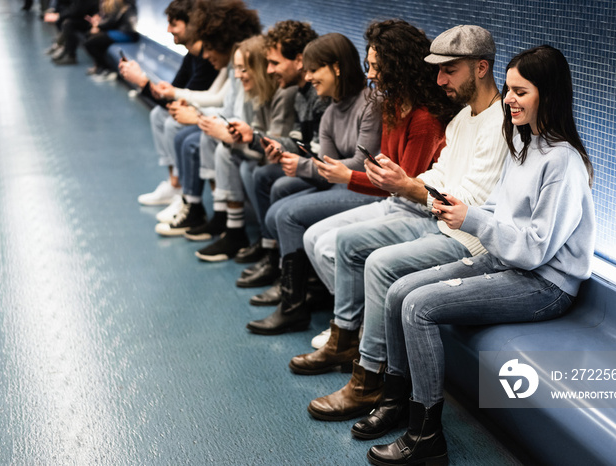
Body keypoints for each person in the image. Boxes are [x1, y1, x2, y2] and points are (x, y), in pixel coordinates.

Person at [367, 44, 596, 466]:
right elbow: (499, 210)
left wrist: (472, 220)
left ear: (549, 94)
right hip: (505, 261)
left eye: (520, 91)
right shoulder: (525, 144)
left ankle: (426, 436)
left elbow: (533, 249)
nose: (508, 99)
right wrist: (457, 205)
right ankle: (396, 398)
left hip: (544, 283)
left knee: (418, 307)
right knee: (399, 290)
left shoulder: (563, 161)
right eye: (508, 89)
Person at [297, 25, 509, 427]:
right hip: (438, 221)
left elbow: (471, 201)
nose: (440, 79)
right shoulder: (463, 118)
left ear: (481, 68)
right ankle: (352, 350)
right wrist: (406, 182)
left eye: (450, 70)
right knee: (345, 243)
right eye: (437, 70)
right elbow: (443, 173)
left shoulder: (500, 123)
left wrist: (410, 186)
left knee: (379, 264)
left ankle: (369, 378)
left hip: (469, 239)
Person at [245, 21, 462, 335]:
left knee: (305, 224)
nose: (371, 74)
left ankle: (347, 324)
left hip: (413, 207)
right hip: (392, 199)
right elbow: (377, 173)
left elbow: (404, 185)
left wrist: (348, 176)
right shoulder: (385, 106)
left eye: (377, 67)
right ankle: (346, 319)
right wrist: (344, 173)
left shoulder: (422, 117)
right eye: (368, 66)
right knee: (305, 227)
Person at [242, 32, 384, 333]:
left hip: (368, 189)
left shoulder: (371, 103)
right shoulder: (331, 112)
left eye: (313, 70)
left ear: (335, 67)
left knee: (288, 215)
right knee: (279, 195)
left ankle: (294, 305)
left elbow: (362, 164)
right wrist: (300, 164)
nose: (307, 77)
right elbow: (327, 168)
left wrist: (304, 165)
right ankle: (305, 291)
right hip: (342, 185)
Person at [226, 20, 326, 275]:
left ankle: (284, 267)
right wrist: (254, 138)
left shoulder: (316, 94)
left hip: (328, 174)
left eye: (275, 63)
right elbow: (298, 141)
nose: (269, 70)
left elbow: (320, 153)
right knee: (262, 174)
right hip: (314, 166)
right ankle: (273, 255)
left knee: (270, 179)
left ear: (299, 60)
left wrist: (260, 141)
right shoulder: (302, 93)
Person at [153, 0, 261, 236]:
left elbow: (239, 116)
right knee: (190, 136)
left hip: (250, 139)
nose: (206, 54)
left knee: (196, 141)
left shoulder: (244, 68)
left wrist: (197, 115)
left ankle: (219, 218)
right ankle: (202, 208)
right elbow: (222, 102)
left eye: (210, 46)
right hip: (232, 128)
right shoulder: (232, 65)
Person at [186, 35, 297, 260]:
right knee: (222, 149)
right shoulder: (257, 93)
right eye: (236, 69)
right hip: (268, 154)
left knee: (248, 167)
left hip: (287, 162)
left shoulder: (283, 94)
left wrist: (229, 136)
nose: (237, 75)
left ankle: (266, 242)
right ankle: (231, 225)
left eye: (243, 69)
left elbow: (274, 149)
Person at [118, 0, 220, 207]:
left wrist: (143, 83)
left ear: (192, 25)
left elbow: (182, 102)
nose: (168, 29)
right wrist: (145, 82)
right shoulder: (192, 56)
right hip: (199, 109)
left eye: (174, 24)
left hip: (212, 115)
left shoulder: (207, 60)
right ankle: (174, 184)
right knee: (158, 114)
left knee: (174, 124)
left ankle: (186, 193)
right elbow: (174, 96)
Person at [82, 0, 139, 80]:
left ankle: (107, 68)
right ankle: (100, 66)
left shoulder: (120, 3)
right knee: (92, 38)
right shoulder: (122, 3)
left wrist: (98, 26)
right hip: (121, 31)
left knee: (90, 43)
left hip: (126, 33)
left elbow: (112, 21)